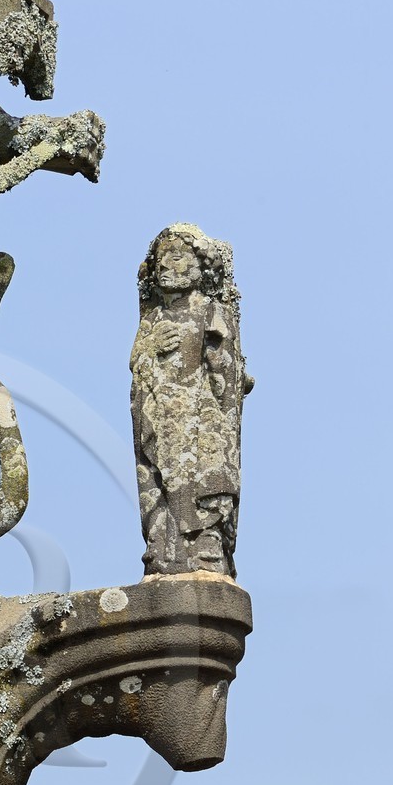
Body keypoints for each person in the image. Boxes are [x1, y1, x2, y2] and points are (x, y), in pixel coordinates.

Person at [130, 223, 253, 577]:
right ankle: (164, 550)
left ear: (202, 267)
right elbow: (136, 366)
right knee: (157, 482)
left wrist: (231, 374)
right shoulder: (151, 320)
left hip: (201, 423)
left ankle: (205, 549)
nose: (168, 266)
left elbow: (224, 374)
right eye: (161, 260)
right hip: (158, 416)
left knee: (204, 483)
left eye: (179, 257)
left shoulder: (211, 312)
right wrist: (149, 351)